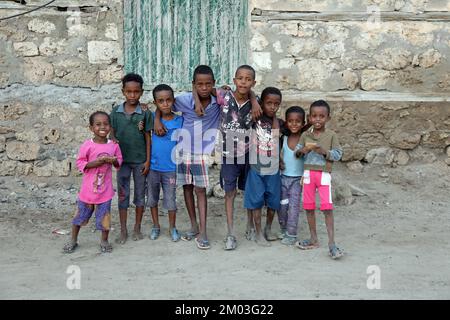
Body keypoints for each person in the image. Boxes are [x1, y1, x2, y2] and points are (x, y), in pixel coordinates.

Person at [154, 65, 221, 250]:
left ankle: (204, 232)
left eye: (208, 84)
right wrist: (157, 119)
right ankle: (193, 225)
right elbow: (163, 104)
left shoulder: (219, 100)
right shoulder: (184, 100)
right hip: (183, 150)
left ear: (213, 84)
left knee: (200, 190)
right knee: (187, 188)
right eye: (199, 84)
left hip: (201, 153)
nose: (204, 88)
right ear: (193, 85)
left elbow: (240, 93)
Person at [210, 65, 262, 250]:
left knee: (248, 190)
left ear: (253, 83)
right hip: (228, 155)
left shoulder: (257, 102)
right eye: (240, 78)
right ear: (234, 80)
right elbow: (202, 88)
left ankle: (249, 225)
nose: (244, 82)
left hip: (248, 153)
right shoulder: (223, 96)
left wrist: (254, 100)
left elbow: (254, 97)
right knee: (229, 193)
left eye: (248, 79)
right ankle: (230, 233)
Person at [63, 111, 123, 254]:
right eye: (98, 124)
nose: (102, 127)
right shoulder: (87, 145)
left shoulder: (113, 145)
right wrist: (95, 163)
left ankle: (104, 240)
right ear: (91, 128)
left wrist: (114, 160)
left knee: (104, 217)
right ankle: (73, 239)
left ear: (110, 127)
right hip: (88, 191)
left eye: (106, 124)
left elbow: (119, 160)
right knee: (80, 216)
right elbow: (80, 163)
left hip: (105, 191)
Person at [294, 100, 344, 259]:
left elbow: (338, 154)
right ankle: (313, 239)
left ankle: (332, 243)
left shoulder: (331, 135)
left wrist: (324, 152)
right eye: (314, 116)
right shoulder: (305, 135)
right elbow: (296, 153)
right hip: (308, 174)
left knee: (327, 208)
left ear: (328, 118)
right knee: (309, 207)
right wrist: (304, 149)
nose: (317, 119)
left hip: (323, 175)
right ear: (309, 117)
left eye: (321, 116)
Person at [109, 73, 152, 244]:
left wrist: (148, 161)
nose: (132, 95)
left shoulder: (144, 113)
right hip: (122, 162)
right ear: (123, 92)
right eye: (129, 92)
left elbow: (149, 138)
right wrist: (112, 138)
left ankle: (137, 227)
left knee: (140, 195)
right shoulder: (116, 112)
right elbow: (111, 130)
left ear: (141, 92)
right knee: (122, 195)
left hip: (140, 160)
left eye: (136, 92)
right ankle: (123, 230)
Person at [244, 87, 283, 247]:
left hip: (273, 169)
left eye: (276, 104)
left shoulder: (279, 123)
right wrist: (254, 101)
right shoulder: (255, 119)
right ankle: (258, 233)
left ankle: (267, 228)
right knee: (256, 201)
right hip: (256, 169)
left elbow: (278, 139)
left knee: (273, 201)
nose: (272, 107)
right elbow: (250, 94)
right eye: (269, 103)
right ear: (261, 103)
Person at [147, 84, 183, 242]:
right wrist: (156, 118)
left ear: (173, 101)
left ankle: (172, 227)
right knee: (152, 199)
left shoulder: (180, 120)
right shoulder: (151, 121)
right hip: (153, 168)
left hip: (171, 169)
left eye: (168, 100)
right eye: (161, 101)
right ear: (155, 103)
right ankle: (156, 226)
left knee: (170, 200)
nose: (165, 104)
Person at [278, 106, 306, 245]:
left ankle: (291, 234)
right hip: (283, 177)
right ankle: (283, 228)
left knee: (294, 206)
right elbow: (278, 155)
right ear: (286, 122)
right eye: (290, 121)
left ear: (303, 123)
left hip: (297, 180)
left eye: (298, 121)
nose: (294, 124)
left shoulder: (305, 139)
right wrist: (280, 161)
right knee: (282, 206)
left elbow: (308, 159)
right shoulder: (284, 138)